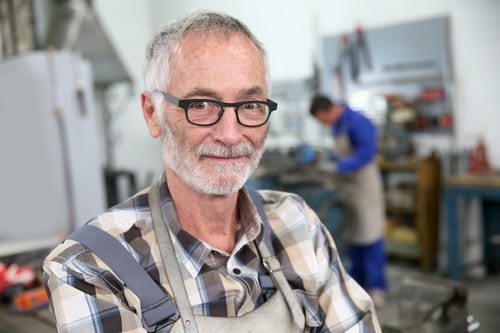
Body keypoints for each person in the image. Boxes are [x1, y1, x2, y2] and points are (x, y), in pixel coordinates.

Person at [43, 11, 381, 332]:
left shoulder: (297, 224)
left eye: (250, 105)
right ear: (152, 113)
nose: (231, 135)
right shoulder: (90, 267)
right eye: (201, 105)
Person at [309, 95, 387, 307]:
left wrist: (339, 167)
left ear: (327, 110)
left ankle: (377, 287)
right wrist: (330, 164)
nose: (323, 124)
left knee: (370, 236)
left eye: (321, 119)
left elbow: (366, 153)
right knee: (353, 236)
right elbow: (341, 154)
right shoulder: (338, 126)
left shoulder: (357, 121)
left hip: (364, 186)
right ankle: (358, 283)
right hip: (349, 188)